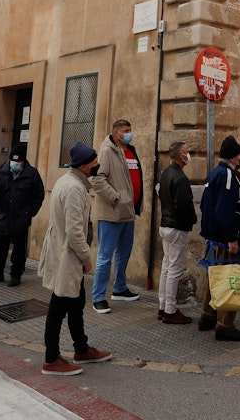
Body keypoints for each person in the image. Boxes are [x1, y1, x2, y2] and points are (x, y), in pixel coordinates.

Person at [38, 141, 112, 376]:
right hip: (68, 257)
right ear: (83, 166)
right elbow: (75, 231)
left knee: (76, 303)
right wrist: (86, 258)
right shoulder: (73, 188)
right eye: (94, 162)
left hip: (68, 256)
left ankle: (81, 349)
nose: (97, 165)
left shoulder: (70, 182)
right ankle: (51, 359)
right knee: (58, 307)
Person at [198, 136, 240, 341]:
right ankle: (225, 325)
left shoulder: (216, 173)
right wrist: (232, 238)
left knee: (216, 275)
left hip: (215, 237)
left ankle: (208, 315)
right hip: (225, 239)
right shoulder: (227, 176)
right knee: (230, 278)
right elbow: (224, 210)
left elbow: (206, 205)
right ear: (233, 157)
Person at [89, 119, 144, 313]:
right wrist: (116, 198)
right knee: (105, 257)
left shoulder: (131, 151)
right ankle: (98, 297)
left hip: (128, 212)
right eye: (125, 131)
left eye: (130, 130)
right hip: (111, 213)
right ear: (115, 133)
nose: (129, 134)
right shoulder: (106, 151)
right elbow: (97, 179)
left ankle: (120, 288)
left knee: (124, 253)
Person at [0, 145, 45, 285]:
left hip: (21, 218)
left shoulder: (32, 174)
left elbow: (39, 195)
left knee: (19, 250)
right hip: (3, 217)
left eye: (18, 161)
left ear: (23, 161)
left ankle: (16, 275)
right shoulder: (2, 172)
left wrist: (30, 212)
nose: (15, 163)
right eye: (13, 161)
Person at [157, 142, 195, 325]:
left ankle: (163, 306)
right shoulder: (179, 177)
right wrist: (192, 219)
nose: (189, 155)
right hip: (176, 227)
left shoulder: (166, 173)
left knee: (167, 267)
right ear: (181, 156)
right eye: (187, 152)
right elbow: (183, 205)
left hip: (166, 225)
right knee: (174, 269)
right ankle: (170, 310)